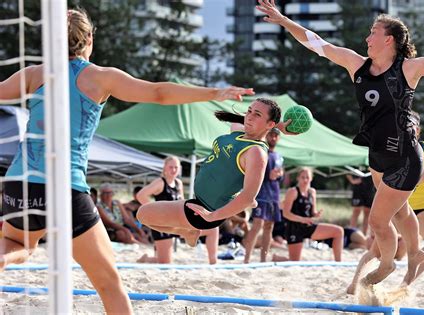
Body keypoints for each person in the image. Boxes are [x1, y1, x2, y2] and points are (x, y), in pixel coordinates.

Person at [0, 8, 254, 313]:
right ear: (90, 37)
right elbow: (159, 93)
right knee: (110, 286)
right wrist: (216, 92)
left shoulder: (34, 74)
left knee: (21, 247)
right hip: (64, 188)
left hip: (19, 183)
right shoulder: (98, 77)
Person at [257, 0, 424, 286]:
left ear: (389, 39)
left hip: (406, 156)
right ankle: (413, 254)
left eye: (373, 31)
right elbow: (317, 43)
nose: (367, 37)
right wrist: (285, 21)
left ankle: (387, 264)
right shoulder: (357, 65)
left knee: (377, 221)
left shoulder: (409, 68)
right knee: (401, 212)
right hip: (377, 154)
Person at [347, 112, 424, 293]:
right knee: (376, 252)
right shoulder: (389, 152)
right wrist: (420, 179)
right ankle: (353, 285)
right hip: (396, 209)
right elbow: (385, 188)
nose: (407, 130)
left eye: (411, 126)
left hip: (422, 209)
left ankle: (405, 284)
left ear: (418, 130)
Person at [137, 98, 292, 247]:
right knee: (146, 216)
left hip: (206, 210)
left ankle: (186, 232)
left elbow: (247, 197)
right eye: (249, 111)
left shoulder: (256, 153)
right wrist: (278, 126)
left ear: (269, 123)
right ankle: (188, 232)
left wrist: (212, 216)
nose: (249, 117)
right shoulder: (239, 133)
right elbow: (238, 122)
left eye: (257, 115)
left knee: (143, 214)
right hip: (200, 202)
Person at [280, 167, 344, 261]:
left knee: (338, 231)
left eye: (307, 177)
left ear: (311, 178)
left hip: (308, 226)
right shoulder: (292, 191)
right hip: (294, 228)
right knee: (295, 261)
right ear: (298, 178)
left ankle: (339, 262)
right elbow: (286, 214)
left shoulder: (312, 192)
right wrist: (303, 219)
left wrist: (316, 214)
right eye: (303, 177)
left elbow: (312, 212)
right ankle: (277, 258)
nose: (305, 180)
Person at [243, 127, 284, 263]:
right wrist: (268, 175)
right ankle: (246, 259)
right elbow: (254, 172)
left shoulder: (279, 156)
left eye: (276, 136)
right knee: (257, 226)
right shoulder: (261, 151)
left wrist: (279, 176)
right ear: (267, 135)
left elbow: (279, 179)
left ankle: (263, 260)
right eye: (271, 135)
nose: (273, 138)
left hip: (274, 196)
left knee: (269, 227)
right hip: (261, 194)